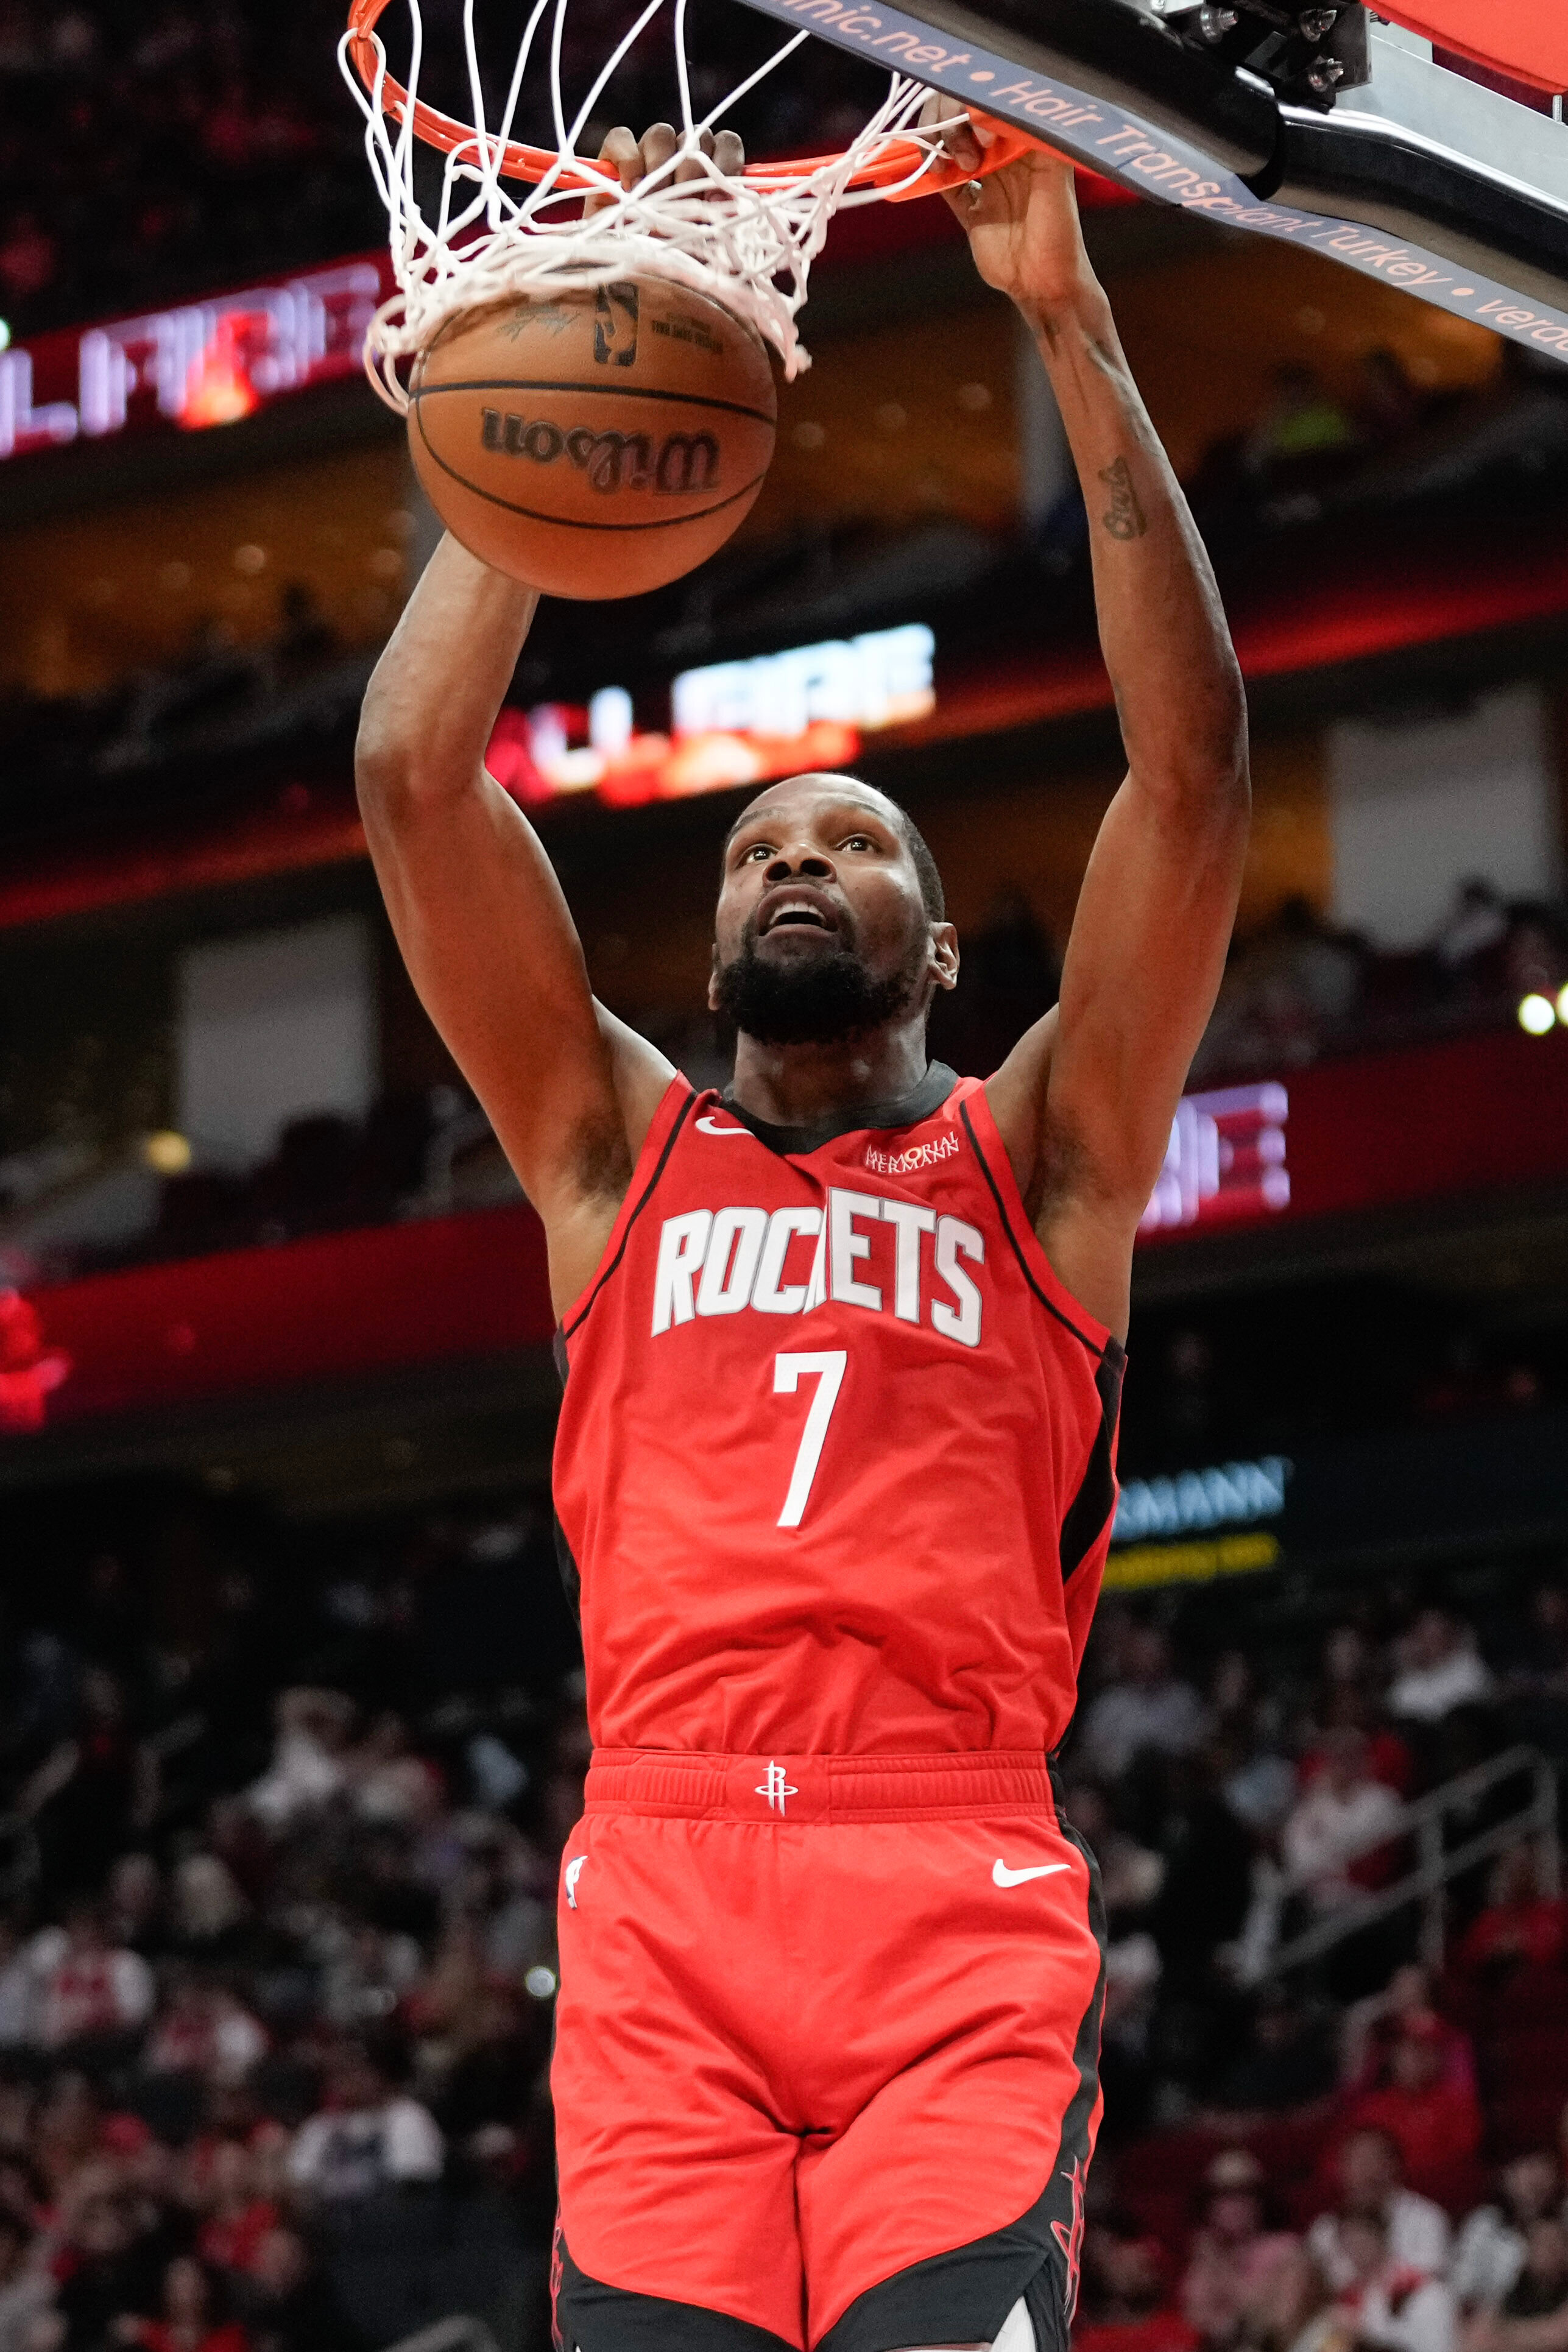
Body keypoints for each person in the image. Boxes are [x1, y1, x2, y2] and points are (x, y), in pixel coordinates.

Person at [353, 103, 1250, 2352]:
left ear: (945, 954)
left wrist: (1067, 313)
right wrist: (558, 361)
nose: (793, 867)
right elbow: (408, 779)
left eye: (853, 848)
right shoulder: (603, 1150)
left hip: (948, 1882)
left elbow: (1194, 776)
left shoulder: (1044, 1164)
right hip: (660, 1889)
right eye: (759, 852)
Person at [1181, 2150, 1299, 2348]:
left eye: (1245, 2194)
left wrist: (1221, 2270)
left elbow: (1273, 2318)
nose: (1234, 2205)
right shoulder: (1205, 2252)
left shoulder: (1285, 2248)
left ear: (1261, 2200)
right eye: (1223, 2195)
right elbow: (1194, 2318)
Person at [1308, 2132, 1450, 2294]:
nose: (1364, 2170)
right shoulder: (1325, 2228)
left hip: (1404, 2312)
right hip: (1344, 2313)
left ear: (1393, 2166)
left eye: (1372, 2159)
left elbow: (1430, 2277)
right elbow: (1316, 2289)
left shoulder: (1426, 2217)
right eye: (1355, 2160)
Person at [1452, 2153, 1564, 2318]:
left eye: (1544, 2166)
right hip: (1496, 2319)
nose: (1536, 2178)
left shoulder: (1563, 2218)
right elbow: (1462, 2289)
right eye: (1527, 2167)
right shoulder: (1485, 2224)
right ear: (1505, 2175)